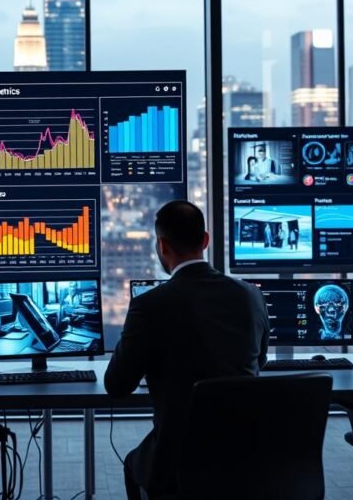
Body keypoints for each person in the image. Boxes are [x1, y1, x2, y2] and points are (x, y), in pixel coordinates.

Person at [104, 200, 271, 500]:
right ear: (206, 240)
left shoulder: (149, 304)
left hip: (178, 461)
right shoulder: (251, 295)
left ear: (162, 246)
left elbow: (116, 385)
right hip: (246, 455)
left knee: (134, 463)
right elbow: (258, 363)